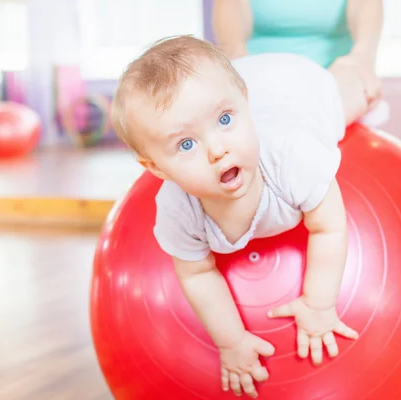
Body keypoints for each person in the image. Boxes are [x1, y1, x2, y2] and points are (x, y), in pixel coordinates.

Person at [111, 35, 360, 398]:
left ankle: (350, 71)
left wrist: (318, 303)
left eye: (225, 120)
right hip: (246, 86)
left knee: (350, 101)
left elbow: (329, 227)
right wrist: (232, 342)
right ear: (155, 167)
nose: (217, 149)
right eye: (186, 144)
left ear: (245, 104)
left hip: (299, 93)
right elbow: (197, 273)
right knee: (205, 97)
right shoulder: (178, 210)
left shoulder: (294, 158)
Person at [212, 0, 384, 126]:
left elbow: (366, 7)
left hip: (334, 80)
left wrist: (361, 59)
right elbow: (232, 42)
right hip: (262, 79)